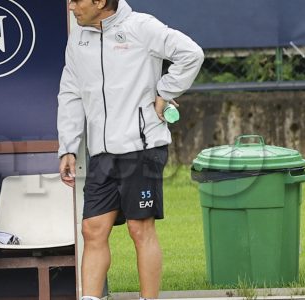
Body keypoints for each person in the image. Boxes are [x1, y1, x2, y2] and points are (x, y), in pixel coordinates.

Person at [57, 0, 204, 299]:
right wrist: (68, 146)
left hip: (142, 147)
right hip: (101, 152)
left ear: (99, 2)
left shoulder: (141, 26)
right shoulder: (78, 36)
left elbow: (191, 54)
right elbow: (70, 92)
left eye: (76, 0)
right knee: (92, 230)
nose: (71, 6)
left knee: (140, 228)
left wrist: (165, 92)